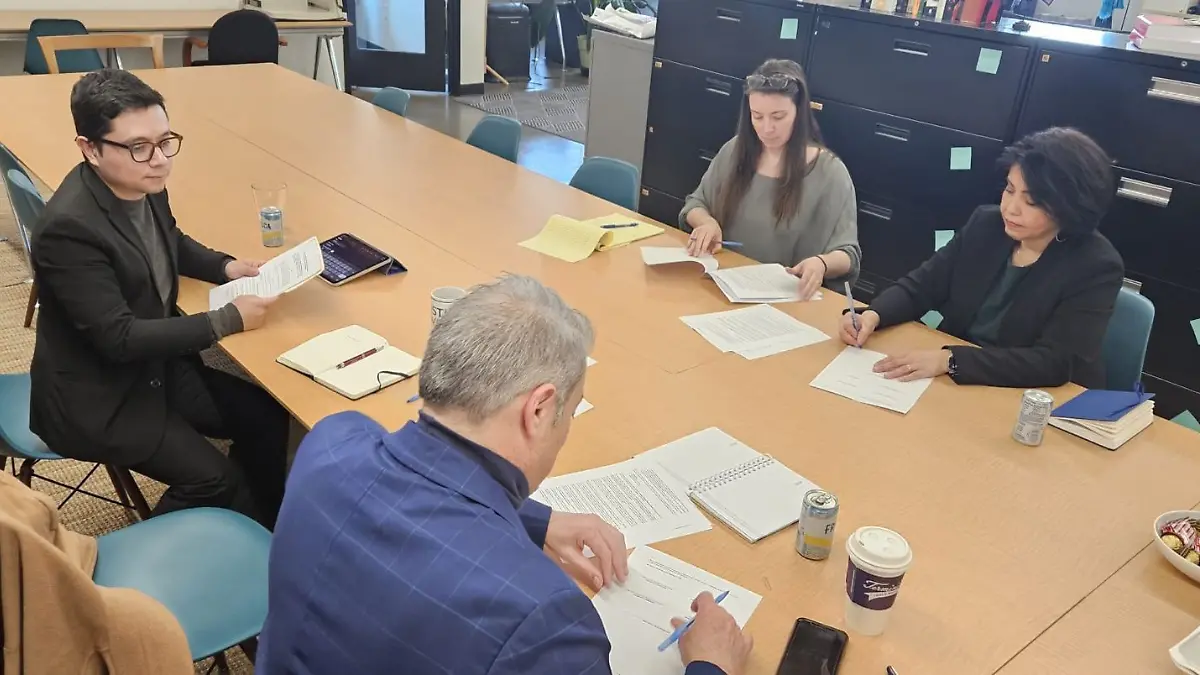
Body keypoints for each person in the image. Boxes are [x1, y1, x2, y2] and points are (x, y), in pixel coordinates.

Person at [257, 275, 753, 675]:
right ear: (539, 410)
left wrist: (536, 519)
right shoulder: (545, 622)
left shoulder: (330, 444)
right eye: (570, 411)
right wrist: (710, 665)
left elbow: (420, 469)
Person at [29, 69, 288, 528]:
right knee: (215, 480)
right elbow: (119, 339)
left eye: (166, 141)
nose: (160, 160)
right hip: (101, 395)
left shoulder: (141, 180)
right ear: (90, 149)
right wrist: (227, 319)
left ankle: (265, 533)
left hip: (157, 367)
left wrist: (226, 267)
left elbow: (170, 239)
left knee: (266, 417)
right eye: (139, 147)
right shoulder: (68, 229)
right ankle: (139, 556)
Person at [838, 127, 1123, 389]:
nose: (1010, 208)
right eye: (1009, 190)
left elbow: (1053, 362)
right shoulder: (986, 225)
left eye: (1032, 201)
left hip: (1031, 395)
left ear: (1070, 206)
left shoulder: (1095, 265)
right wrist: (873, 315)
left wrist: (949, 360)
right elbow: (922, 286)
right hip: (957, 382)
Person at [680, 59, 860, 300]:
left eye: (778, 117)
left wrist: (821, 263)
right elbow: (695, 203)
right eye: (757, 116)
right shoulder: (735, 151)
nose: (766, 128)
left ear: (799, 113)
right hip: (723, 287)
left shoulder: (830, 173)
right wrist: (706, 223)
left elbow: (848, 254)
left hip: (788, 299)